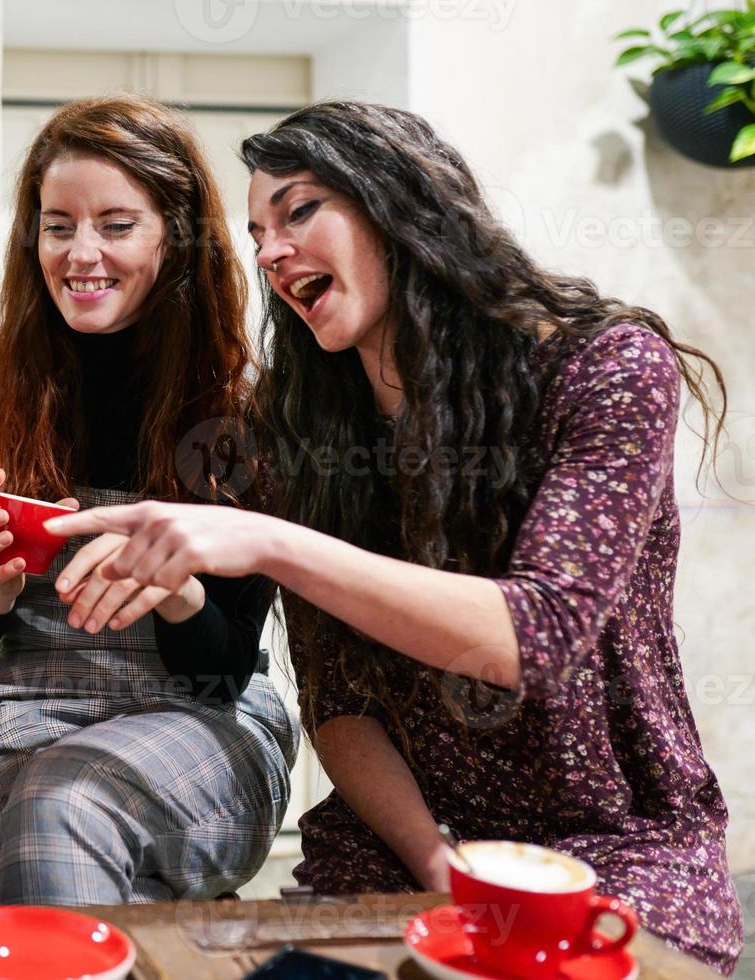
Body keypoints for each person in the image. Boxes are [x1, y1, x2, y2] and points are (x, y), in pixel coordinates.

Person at [43, 101, 744, 972]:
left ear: (402, 205)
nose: (269, 250)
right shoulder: (301, 429)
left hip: (613, 839)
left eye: (300, 211)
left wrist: (266, 541)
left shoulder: (604, 368)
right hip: (405, 841)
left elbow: (535, 634)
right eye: (258, 229)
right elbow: (338, 707)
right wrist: (434, 867)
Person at [0, 95, 298, 906]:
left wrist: (173, 585)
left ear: (178, 235)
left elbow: (221, 674)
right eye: (58, 225)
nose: (80, 253)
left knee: (62, 808)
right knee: (58, 839)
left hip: (202, 723)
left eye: (117, 225)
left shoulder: (246, 416)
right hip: (25, 709)